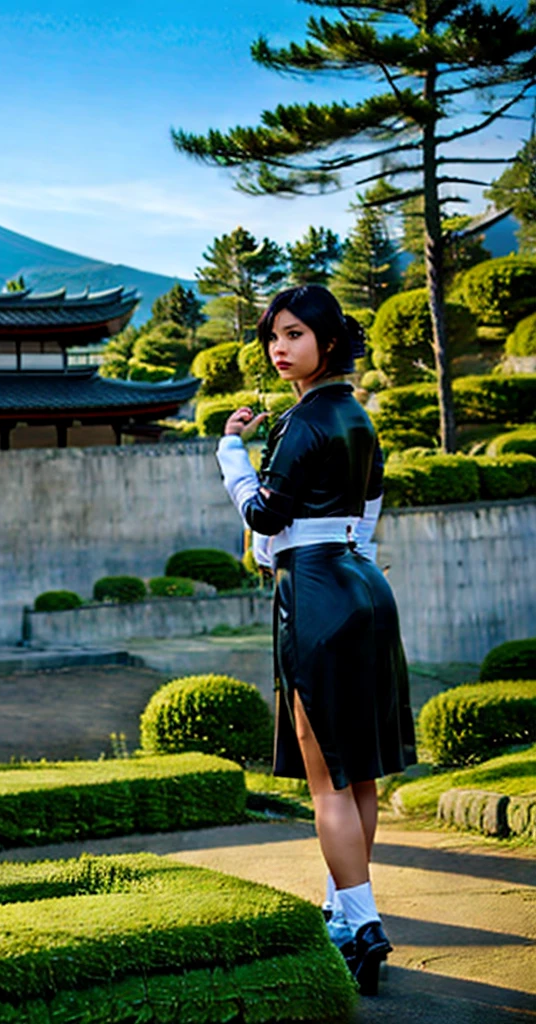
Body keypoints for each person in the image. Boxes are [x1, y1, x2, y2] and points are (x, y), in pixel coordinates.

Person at [215, 284, 416, 996]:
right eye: (273, 335)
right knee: (358, 770)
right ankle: (342, 906)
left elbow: (267, 518)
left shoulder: (303, 422)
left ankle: (361, 926)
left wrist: (230, 453)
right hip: (364, 586)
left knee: (327, 775)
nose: (279, 347)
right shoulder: (356, 415)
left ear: (327, 342)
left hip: (321, 597)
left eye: (294, 334)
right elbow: (368, 507)